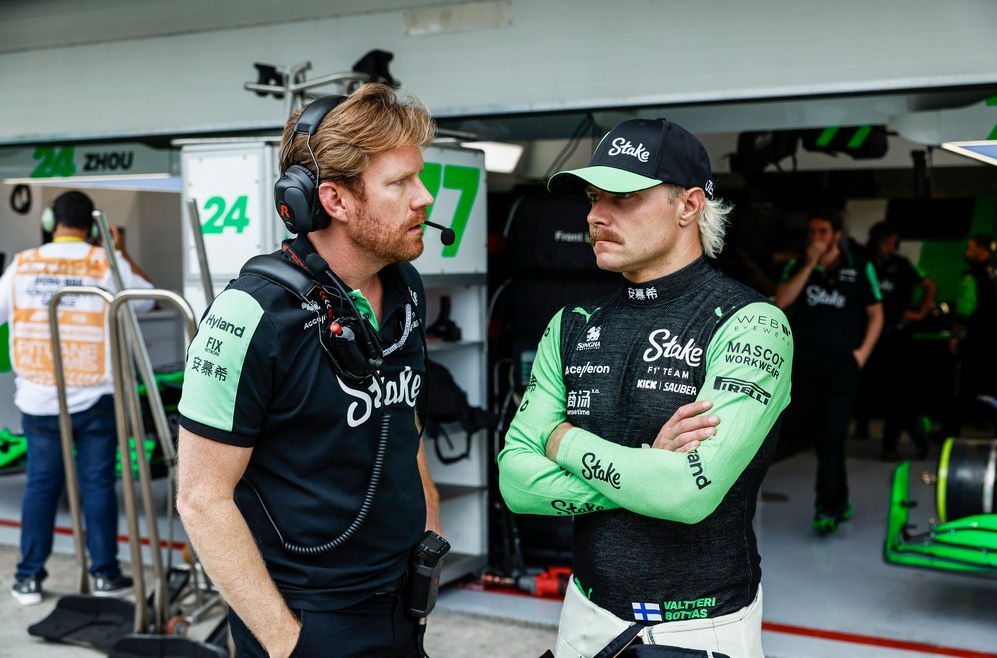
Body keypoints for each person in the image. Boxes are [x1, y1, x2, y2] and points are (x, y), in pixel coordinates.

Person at [498, 118, 793, 658]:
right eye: (592, 196)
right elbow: (516, 483)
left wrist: (562, 441)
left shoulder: (753, 324)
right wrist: (645, 467)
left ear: (689, 206)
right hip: (584, 614)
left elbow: (684, 493)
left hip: (702, 627)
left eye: (622, 196)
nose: (594, 215)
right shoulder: (571, 324)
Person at [175, 83, 443, 658]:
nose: (424, 198)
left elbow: (401, 413)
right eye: (399, 183)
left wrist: (431, 527)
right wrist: (284, 643)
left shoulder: (406, 286)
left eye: (419, 178)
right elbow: (201, 497)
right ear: (334, 200)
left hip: (404, 600)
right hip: (306, 620)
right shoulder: (252, 314)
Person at [0, 190, 152, 605]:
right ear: (92, 224)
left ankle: (28, 578)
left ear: (52, 222)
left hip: (38, 396)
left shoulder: (24, 263)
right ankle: (104, 574)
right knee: (98, 485)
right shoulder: (106, 261)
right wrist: (119, 251)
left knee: (41, 485)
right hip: (95, 394)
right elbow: (147, 298)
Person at [774, 209, 882, 535]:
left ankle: (827, 508)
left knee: (832, 436)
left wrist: (861, 355)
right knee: (822, 439)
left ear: (836, 234)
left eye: (822, 231)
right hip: (806, 366)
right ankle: (842, 498)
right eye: (812, 232)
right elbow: (781, 301)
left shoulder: (861, 267)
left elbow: (877, 314)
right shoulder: (798, 265)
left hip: (842, 367)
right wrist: (809, 264)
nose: (816, 237)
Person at [854, 221, 936, 460]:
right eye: (886, 243)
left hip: (898, 338)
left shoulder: (902, 266)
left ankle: (897, 441)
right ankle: (869, 426)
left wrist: (920, 312)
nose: (891, 248)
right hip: (869, 336)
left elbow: (930, 285)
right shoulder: (864, 264)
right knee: (871, 386)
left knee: (897, 394)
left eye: (894, 244)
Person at [943, 233, 997, 435]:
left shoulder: (972, 275)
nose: (967, 252)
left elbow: (964, 310)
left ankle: (949, 431)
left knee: (965, 387)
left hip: (979, 340)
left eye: (970, 248)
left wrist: (955, 337)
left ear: (981, 250)